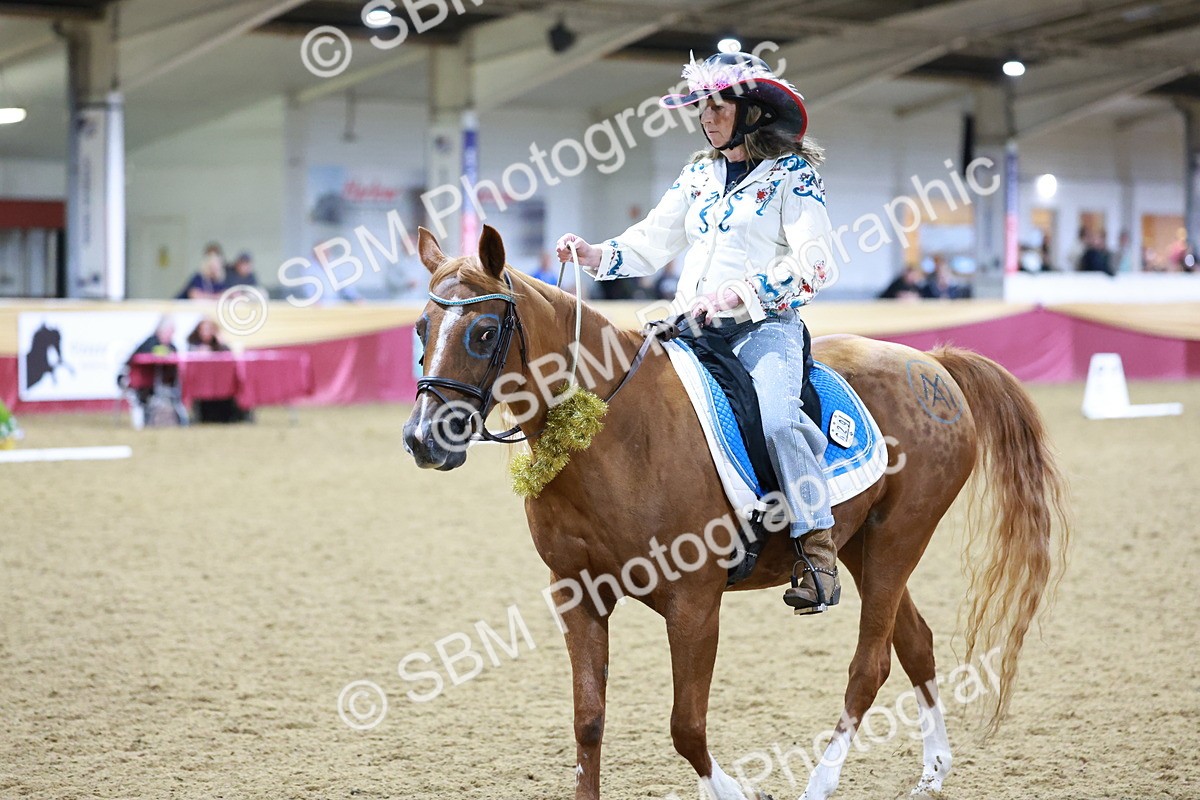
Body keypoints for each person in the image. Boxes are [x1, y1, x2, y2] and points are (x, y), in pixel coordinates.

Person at [556, 52, 839, 615]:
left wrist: (744, 292)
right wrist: (596, 253)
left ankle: (816, 547)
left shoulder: (793, 175)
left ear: (751, 112)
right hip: (689, 326)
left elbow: (817, 265)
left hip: (763, 327)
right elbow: (650, 240)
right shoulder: (697, 174)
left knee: (780, 420)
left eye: (717, 105)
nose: (706, 117)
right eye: (701, 107)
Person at [186, 318, 246, 423]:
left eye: (209, 329)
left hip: (221, 384)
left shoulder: (219, 345)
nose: (207, 332)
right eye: (204, 329)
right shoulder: (193, 344)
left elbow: (229, 356)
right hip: (202, 384)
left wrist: (220, 342)